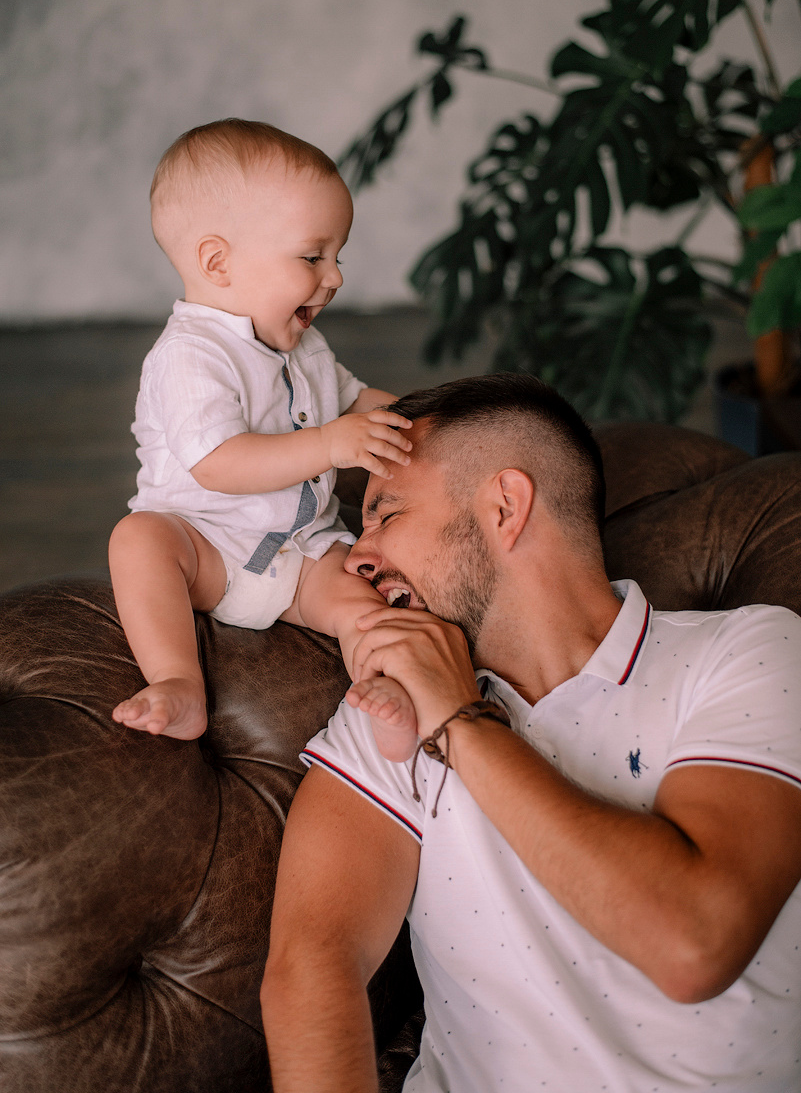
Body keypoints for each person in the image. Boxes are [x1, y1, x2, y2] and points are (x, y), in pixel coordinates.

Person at [261, 372, 801, 1093]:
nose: (358, 559)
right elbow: (310, 969)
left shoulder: (748, 653)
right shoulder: (385, 712)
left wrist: (460, 722)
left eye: (385, 515)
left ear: (504, 508)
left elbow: (693, 944)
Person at [109, 118, 416, 757]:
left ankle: (393, 697)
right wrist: (333, 444)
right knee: (139, 541)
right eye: (313, 256)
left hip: (305, 552)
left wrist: (426, 420)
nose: (335, 277)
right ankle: (177, 679)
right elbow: (219, 464)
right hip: (208, 548)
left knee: (366, 602)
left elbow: (356, 400)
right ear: (218, 262)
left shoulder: (302, 344)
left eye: (338, 256)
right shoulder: (190, 356)